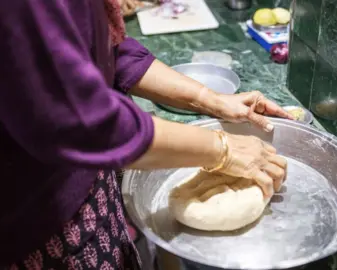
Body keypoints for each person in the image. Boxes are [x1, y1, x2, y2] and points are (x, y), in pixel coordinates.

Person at [0, 0, 292, 269]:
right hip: (36, 229)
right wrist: (224, 150)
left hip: (87, 189)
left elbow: (106, 50)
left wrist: (211, 99)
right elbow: (81, 121)